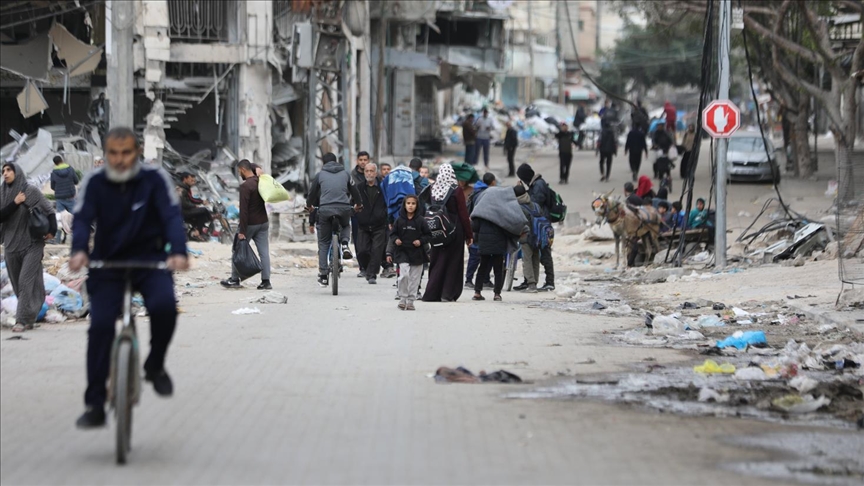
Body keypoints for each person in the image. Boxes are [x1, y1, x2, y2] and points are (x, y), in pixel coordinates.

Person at [68, 126, 189, 428]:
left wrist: (178, 251)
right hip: (107, 264)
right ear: (106, 154)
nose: (119, 159)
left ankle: (155, 365)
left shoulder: (154, 179)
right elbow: (82, 219)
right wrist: (79, 250)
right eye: (113, 153)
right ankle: (95, 404)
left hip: (150, 262)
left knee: (164, 307)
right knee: (100, 328)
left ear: (137, 152)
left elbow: (171, 216)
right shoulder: (95, 182)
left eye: (126, 153)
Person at [1, 162, 56, 333]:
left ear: (17, 172)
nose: (5, 173)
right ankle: (31, 316)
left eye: (9, 170)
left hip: (32, 244)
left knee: (25, 280)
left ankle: (21, 320)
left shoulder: (29, 191)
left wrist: (52, 230)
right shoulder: (2, 194)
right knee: (19, 284)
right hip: (11, 245)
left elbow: (49, 210)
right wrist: (15, 203)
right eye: (3, 171)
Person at [307, 153, 363, 287]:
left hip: (325, 209)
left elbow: (312, 193)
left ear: (323, 163)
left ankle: (323, 275)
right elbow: (354, 191)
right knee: (345, 225)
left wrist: (309, 205)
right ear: (336, 162)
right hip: (343, 208)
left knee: (324, 242)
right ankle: (344, 244)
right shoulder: (346, 174)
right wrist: (359, 204)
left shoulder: (320, 175)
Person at [421, 164, 472, 302]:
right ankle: (447, 293)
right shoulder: (456, 190)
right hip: (454, 230)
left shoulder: (433, 188)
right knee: (453, 262)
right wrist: (469, 235)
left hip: (437, 229)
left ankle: (432, 294)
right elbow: (463, 214)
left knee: (437, 260)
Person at [221, 160, 272, 290]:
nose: (239, 174)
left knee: (237, 249)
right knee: (264, 253)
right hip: (263, 222)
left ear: (243, 170)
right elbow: (251, 165)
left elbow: (243, 211)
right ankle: (266, 281)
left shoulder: (245, 186)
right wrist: (257, 167)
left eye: (239, 171)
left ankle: (234, 279)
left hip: (250, 224)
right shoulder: (260, 181)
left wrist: (242, 231)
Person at [387, 195, 430, 311]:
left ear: (417, 206)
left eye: (413, 204)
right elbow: (392, 234)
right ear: (404, 205)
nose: (410, 206)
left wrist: (420, 241)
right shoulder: (399, 220)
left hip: (417, 253)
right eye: (408, 203)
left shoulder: (421, 221)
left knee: (415, 278)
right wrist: (394, 242)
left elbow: (428, 235)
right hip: (402, 252)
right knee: (404, 275)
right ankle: (402, 299)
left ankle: (411, 301)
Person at [516, 163, 554, 291]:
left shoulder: (538, 185)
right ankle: (529, 281)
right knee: (533, 254)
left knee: (544, 253)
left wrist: (522, 193)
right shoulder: (535, 184)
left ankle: (549, 281)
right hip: (536, 224)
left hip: (541, 225)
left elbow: (534, 204)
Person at [355, 163, 388, 284]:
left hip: (379, 224)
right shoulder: (359, 187)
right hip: (363, 224)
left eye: (371, 171)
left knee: (376, 250)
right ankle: (367, 268)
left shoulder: (383, 187)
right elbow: (353, 202)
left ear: (376, 173)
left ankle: (372, 274)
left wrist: (384, 215)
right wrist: (357, 213)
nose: (369, 173)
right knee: (362, 250)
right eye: (367, 171)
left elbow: (388, 202)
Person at [464, 172, 496, 289]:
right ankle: (472, 279)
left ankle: (479, 279)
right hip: (480, 228)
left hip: (474, 227)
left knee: (480, 255)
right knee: (480, 255)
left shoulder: (476, 191)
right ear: (493, 182)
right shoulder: (487, 194)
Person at [515, 184, 540, 293]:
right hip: (538, 236)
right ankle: (535, 282)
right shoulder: (535, 205)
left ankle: (531, 284)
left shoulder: (518, 207)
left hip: (526, 237)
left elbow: (518, 223)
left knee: (527, 260)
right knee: (535, 259)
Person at [178, 172, 213, 241]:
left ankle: (197, 231)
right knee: (203, 210)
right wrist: (194, 206)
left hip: (185, 210)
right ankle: (198, 232)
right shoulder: (181, 189)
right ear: (185, 179)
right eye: (191, 180)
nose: (193, 182)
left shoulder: (186, 188)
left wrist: (202, 201)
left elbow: (192, 199)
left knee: (201, 214)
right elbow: (184, 203)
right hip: (183, 211)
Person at [350, 152, 370, 257]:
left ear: (368, 161)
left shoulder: (373, 174)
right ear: (357, 161)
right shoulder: (351, 176)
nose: (363, 162)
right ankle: (361, 262)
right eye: (361, 160)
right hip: (357, 211)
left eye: (365, 160)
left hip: (371, 211)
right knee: (357, 238)